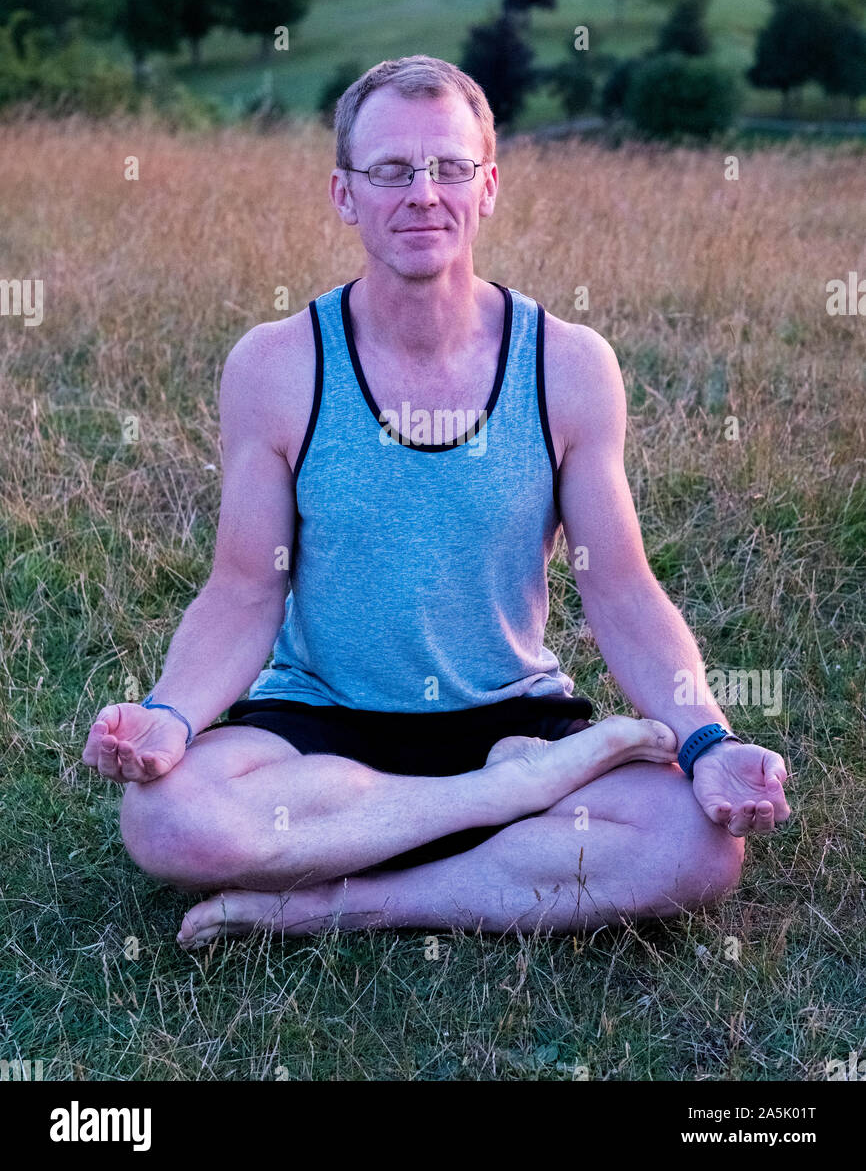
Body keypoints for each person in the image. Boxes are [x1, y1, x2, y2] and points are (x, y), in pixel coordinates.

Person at [81, 55, 790, 949]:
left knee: (698, 846)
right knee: (164, 820)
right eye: (390, 170)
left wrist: (708, 743)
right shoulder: (276, 364)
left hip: (509, 720)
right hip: (322, 730)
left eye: (449, 167)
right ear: (344, 194)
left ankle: (352, 901)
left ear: (487, 186)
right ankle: (497, 809)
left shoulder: (567, 365)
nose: (423, 193)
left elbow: (619, 588)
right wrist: (170, 716)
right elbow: (243, 590)